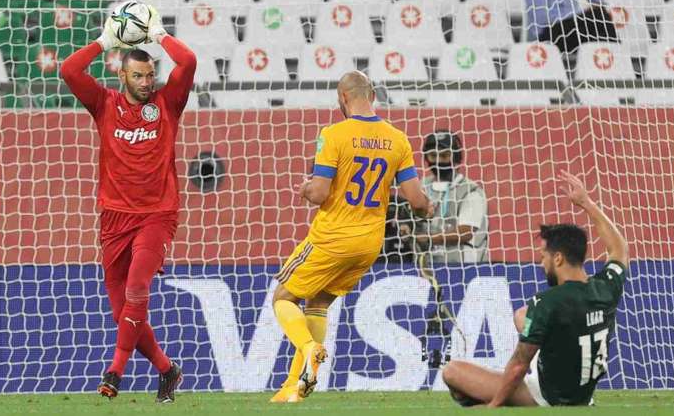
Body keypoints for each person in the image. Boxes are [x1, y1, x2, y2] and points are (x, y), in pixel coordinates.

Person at [270, 71, 434, 403]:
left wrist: (304, 187)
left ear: (343, 97)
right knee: (318, 303)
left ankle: (309, 347)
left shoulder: (334, 135)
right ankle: (293, 389)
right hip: (369, 244)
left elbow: (318, 193)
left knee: (283, 297)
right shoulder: (397, 139)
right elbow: (416, 201)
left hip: (332, 237)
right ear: (372, 95)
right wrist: (429, 208)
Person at [60, 6, 196, 403]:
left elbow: (187, 60)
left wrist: (158, 34)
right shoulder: (103, 104)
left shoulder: (168, 103)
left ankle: (114, 371)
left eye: (150, 73)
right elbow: (69, 71)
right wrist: (104, 42)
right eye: (138, 75)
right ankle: (168, 370)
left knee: (138, 287)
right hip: (114, 219)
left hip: (157, 214)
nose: (146, 81)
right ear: (121, 75)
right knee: (124, 313)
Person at [441, 170, 629, 407]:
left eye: (543, 256)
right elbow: (620, 250)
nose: (542, 263)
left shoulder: (548, 302)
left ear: (558, 258)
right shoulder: (606, 288)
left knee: (452, 372)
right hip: (582, 391)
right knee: (522, 316)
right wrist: (586, 203)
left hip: (548, 396)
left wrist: (494, 406)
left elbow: (519, 363)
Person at [415, 130, 488, 266]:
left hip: (465, 268)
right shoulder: (421, 186)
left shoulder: (471, 190)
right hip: (427, 266)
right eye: (433, 155)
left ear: (455, 157)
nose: (437, 161)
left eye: (444, 155)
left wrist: (429, 239)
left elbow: (466, 231)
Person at [525, 0, 618, 54]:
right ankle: (615, 57)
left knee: (600, 15)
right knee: (595, 18)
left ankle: (615, 57)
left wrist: (593, 7)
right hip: (547, 33)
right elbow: (541, 18)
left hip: (572, 29)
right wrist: (578, 16)